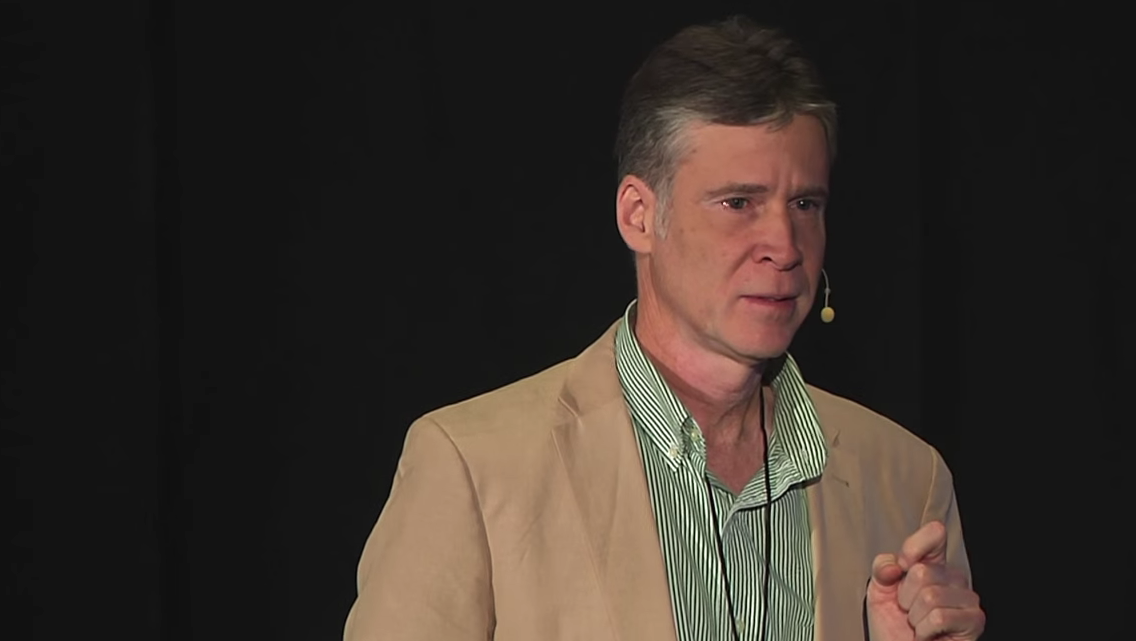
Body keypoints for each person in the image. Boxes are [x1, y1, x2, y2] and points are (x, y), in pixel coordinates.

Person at [344, 15, 984, 641]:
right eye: (739, 202)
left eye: (804, 204)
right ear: (639, 216)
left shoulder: (906, 479)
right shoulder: (473, 465)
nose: (785, 246)